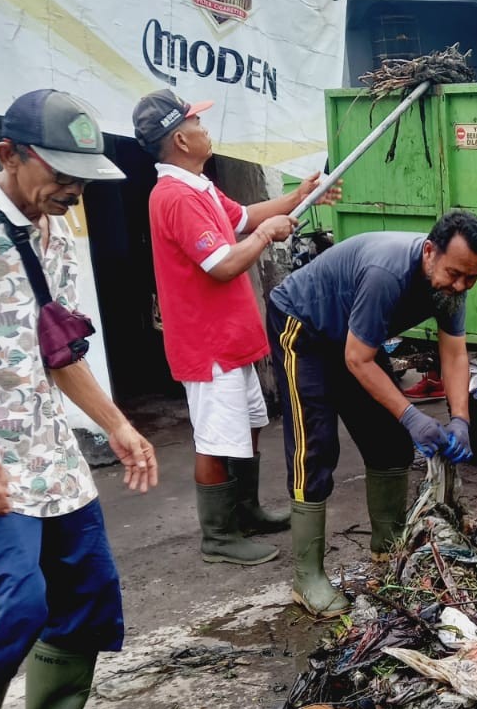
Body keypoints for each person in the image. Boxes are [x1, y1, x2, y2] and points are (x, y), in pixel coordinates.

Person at [0, 90, 160, 709]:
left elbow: (59, 351)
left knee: (87, 588)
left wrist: (116, 424)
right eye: (60, 171)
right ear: (8, 153)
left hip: (48, 450)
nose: (74, 189)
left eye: (84, 175)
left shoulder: (50, 231)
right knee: (14, 601)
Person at [134, 88, 338, 567]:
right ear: (180, 139)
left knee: (247, 427)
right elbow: (222, 264)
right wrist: (268, 234)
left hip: (231, 339)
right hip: (208, 346)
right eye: (197, 124)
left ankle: (245, 510)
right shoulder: (174, 196)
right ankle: (219, 535)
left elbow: (243, 217)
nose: (206, 131)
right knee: (214, 439)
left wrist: (298, 196)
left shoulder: (198, 186)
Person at [266, 210, 477, 617]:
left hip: (355, 341)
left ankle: (386, 545)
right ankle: (307, 577)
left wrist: (461, 419)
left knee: (388, 442)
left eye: (473, 277)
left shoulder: (451, 288)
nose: (461, 285)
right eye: (455, 273)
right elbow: (358, 360)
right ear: (429, 252)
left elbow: (455, 353)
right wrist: (413, 416)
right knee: (314, 448)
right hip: (305, 326)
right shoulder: (386, 272)